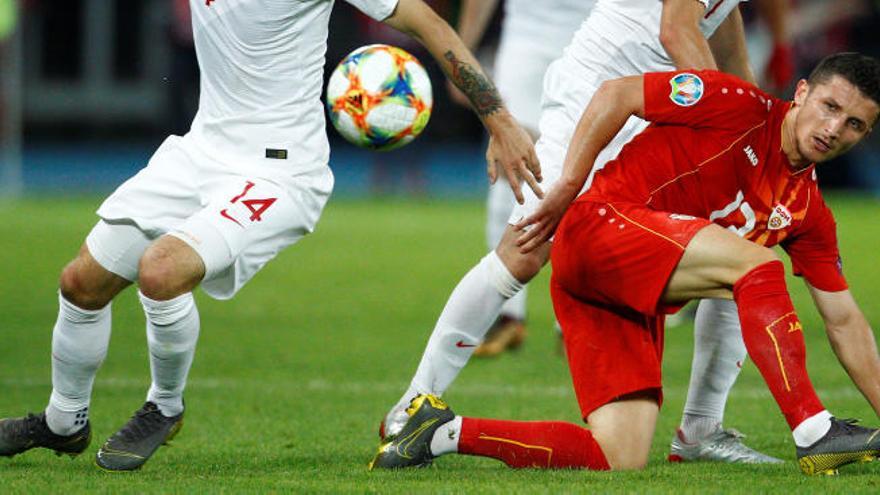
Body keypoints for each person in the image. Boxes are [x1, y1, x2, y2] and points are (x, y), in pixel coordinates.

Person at [0, 0, 540, 471]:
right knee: (80, 283)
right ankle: (62, 420)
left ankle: (163, 407)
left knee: (162, 272)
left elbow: (426, 20)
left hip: (278, 171)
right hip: (198, 151)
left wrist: (501, 122)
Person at [371, 52, 880, 476]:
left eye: (854, 124)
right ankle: (813, 431)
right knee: (756, 264)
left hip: (625, 294)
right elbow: (617, 93)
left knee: (618, 455)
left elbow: (844, 321)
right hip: (599, 228)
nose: (834, 128)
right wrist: (569, 185)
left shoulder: (810, 212)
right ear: (802, 93)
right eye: (830, 106)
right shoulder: (737, 103)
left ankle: (437, 432)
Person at [382, 0, 780, 464]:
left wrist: (750, 104)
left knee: (738, 238)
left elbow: (719, 14)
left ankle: (701, 429)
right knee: (527, 247)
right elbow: (676, 29)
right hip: (601, 87)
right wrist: (729, 116)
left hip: (663, 95)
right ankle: (413, 403)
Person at [446, 0, 596, 356]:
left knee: (587, 172)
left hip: (595, 40)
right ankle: (506, 314)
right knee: (508, 164)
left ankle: (576, 317)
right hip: (525, 39)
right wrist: (463, 52)